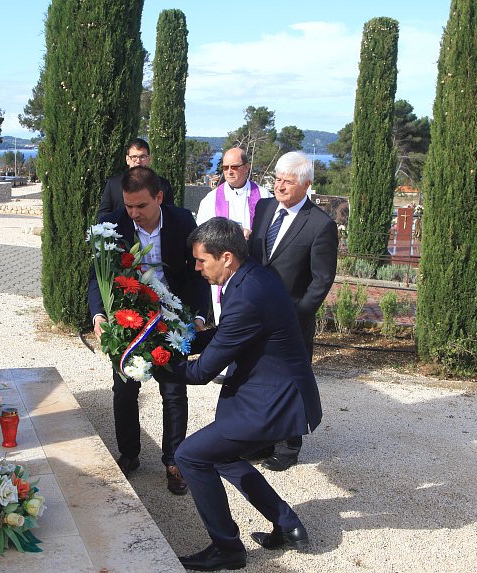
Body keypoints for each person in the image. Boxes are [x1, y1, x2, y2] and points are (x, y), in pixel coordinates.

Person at [154, 217, 321, 571]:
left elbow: (201, 373)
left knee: (191, 456)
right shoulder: (251, 277)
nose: (196, 268)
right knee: (222, 455)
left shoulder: (245, 294)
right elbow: (226, 334)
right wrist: (177, 343)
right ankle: (287, 523)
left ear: (226, 257)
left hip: (274, 402)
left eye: (202, 260)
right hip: (266, 390)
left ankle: (227, 548)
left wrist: (156, 363)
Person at [88, 166, 211, 495]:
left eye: (141, 206)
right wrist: (99, 315)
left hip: (172, 319)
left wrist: (198, 317)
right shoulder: (113, 224)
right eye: (129, 206)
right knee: (124, 390)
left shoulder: (183, 221)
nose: (134, 214)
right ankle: (129, 453)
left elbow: (198, 274)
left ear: (158, 197)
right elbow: (96, 275)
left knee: (173, 392)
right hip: (129, 319)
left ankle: (174, 460)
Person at [247, 150, 338, 472]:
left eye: (287, 181)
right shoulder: (264, 207)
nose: (280, 187)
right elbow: (255, 257)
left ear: (306, 185)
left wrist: (296, 315)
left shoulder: (320, 225)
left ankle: (289, 447)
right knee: (258, 378)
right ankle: (261, 440)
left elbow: (321, 279)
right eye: (277, 180)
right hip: (255, 315)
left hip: (292, 321)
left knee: (289, 381)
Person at [195, 147, 270, 326]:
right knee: (228, 323)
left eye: (234, 167)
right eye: (225, 167)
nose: (229, 171)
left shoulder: (264, 197)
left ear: (246, 167)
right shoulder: (211, 200)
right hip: (224, 271)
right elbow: (201, 237)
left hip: (254, 268)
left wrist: (252, 236)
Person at [98, 138, 174, 219]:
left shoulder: (163, 184)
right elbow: (103, 213)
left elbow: (169, 214)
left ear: (149, 159)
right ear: (127, 159)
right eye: (134, 157)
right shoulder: (113, 184)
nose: (138, 161)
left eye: (142, 157)